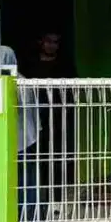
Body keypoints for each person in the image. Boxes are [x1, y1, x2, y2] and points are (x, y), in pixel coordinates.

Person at [2, 45, 48, 222]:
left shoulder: (10, 84)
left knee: (24, 193)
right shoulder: (22, 81)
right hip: (28, 142)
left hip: (17, 146)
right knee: (29, 191)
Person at [27, 31, 76, 199]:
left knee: (57, 156)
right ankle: (36, 196)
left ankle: (56, 197)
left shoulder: (65, 65)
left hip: (58, 118)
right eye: (49, 41)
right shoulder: (30, 64)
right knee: (35, 156)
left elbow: (73, 88)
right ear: (40, 42)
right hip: (34, 117)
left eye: (56, 42)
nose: (52, 45)